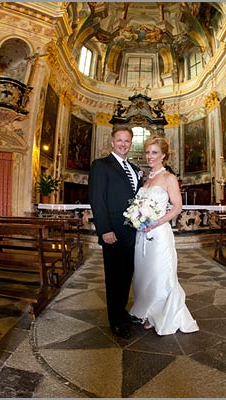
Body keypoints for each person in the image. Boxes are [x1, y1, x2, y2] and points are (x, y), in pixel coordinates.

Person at [129, 135, 199, 335]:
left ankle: (161, 314)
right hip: (142, 235)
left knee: (160, 274)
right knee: (144, 275)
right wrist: (137, 219)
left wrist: (155, 222)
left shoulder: (169, 178)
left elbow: (177, 207)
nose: (150, 156)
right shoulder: (146, 178)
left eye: (154, 153)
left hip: (159, 234)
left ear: (164, 156)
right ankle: (147, 311)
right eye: (147, 152)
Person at [89, 125, 143, 339]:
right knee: (114, 278)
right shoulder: (101, 165)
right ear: (112, 142)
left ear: (131, 143)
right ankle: (116, 320)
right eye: (120, 140)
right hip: (113, 232)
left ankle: (122, 312)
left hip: (132, 233)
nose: (123, 144)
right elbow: (97, 199)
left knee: (126, 275)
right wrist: (105, 229)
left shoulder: (134, 167)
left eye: (127, 141)